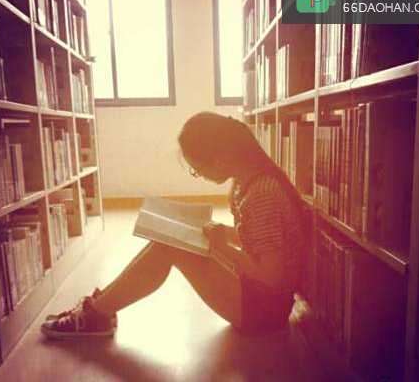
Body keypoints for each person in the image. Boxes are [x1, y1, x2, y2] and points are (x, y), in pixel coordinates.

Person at [41, 112, 308, 338]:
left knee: (170, 248)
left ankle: (97, 313)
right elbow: (259, 242)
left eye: (197, 169)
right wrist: (221, 233)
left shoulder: (261, 193)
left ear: (220, 159)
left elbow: (271, 275)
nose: (198, 175)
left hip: (264, 311)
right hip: (258, 296)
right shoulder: (247, 182)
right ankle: (100, 306)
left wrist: (222, 248)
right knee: (170, 241)